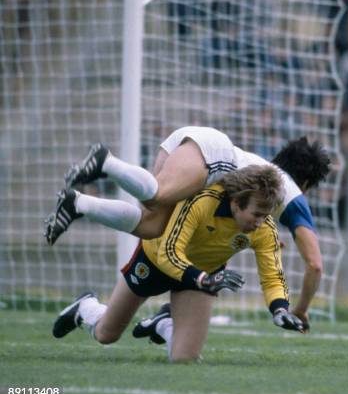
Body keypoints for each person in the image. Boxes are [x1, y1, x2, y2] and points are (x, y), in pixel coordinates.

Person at [45, 126, 330, 329]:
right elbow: (314, 263)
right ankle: (107, 162)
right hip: (211, 150)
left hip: (199, 151)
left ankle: (79, 204)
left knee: (152, 224)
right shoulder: (291, 195)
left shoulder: (264, 179)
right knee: (158, 195)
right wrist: (300, 309)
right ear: (304, 184)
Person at [51, 165, 304, 363]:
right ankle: (85, 307)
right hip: (156, 260)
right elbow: (168, 252)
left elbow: (273, 276)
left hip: (203, 275)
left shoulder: (264, 229)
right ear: (236, 203)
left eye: (267, 215)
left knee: (185, 359)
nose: (261, 222)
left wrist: (280, 311)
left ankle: (163, 323)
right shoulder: (202, 203)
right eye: (257, 214)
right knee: (106, 334)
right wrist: (204, 279)